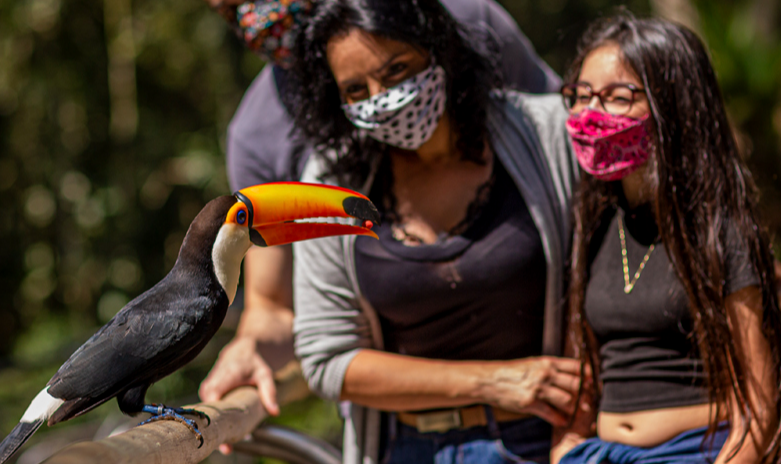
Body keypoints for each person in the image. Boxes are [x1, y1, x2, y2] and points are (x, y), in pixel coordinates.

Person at [198, 0, 562, 421]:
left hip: (545, 419)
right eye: (231, 7)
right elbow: (272, 306)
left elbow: (561, 156)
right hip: (406, 426)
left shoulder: (468, 18)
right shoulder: (263, 139)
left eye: (396, 71)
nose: (257, 15)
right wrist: (250, 346)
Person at [286, 0, 583, 462]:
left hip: (546, 440)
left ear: (437, 50)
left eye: (397, 70)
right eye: (356, 90)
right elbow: (328, 361)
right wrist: (494, 381)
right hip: (408, 448)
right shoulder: (330, 183)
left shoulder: (546, 134)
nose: (382, 97)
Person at [551, 15, 781, 463]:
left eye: (618, 97)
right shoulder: (593, 225)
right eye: (582, 95)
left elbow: (760, 410)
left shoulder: (719, 231)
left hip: (693, 452)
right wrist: (567, 449)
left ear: (674, 105)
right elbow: (586, 383)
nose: (590, 113)